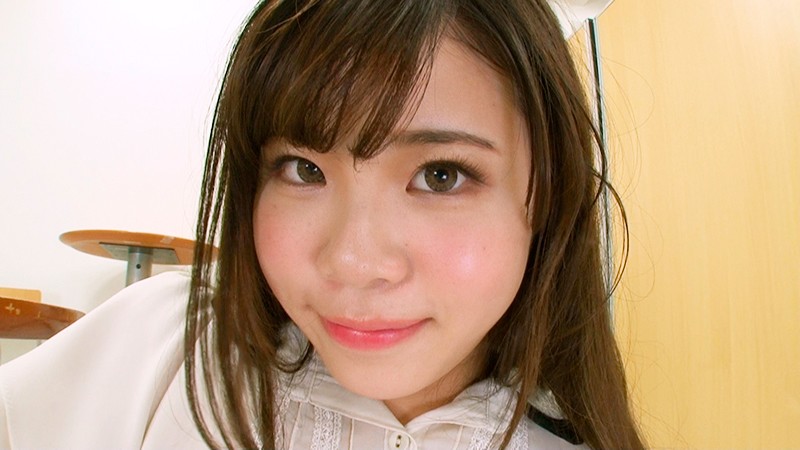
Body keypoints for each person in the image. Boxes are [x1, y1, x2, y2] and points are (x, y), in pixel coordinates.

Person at [0, 0, 645, 449]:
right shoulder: (164, 349)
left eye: (441, 175)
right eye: (304, 170)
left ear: (548, 193)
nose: (353, 262)